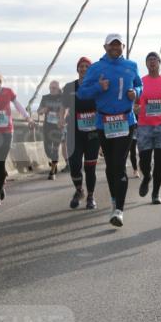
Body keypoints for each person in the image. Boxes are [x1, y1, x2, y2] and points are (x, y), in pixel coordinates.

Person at [77, 33, 141, 227]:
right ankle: (114, 200)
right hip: (104, 122)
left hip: (126, 120)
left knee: (119, 164)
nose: (115, 48)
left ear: (123, 46)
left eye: (118, 45)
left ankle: (119, 211)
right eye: (111, 45)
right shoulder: (96, 68)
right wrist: (99, 86)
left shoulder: (131, 66)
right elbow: (82, 93)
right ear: (105, 47)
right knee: (111, 165)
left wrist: (136, 93)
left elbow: (139, 84)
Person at [0, 67, 34, 206]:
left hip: (6, 131)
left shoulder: (8, 92)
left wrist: (28, 118)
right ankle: (1, 183)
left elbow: (18, 105)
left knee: (0, 162)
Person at [61, 57, 100, 210]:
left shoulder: (96, 87)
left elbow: (102, 105)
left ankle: (90, 196)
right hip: (74, 131)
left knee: (90, 167)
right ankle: (79, 190)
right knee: (75, 165)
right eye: (81, 66)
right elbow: (63, 106)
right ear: (77, 69)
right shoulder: (69, 87)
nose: (83, 69)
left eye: (86, 66)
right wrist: (61, 119)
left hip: (92, 133)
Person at [136, 51, 161, 205]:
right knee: (144, 161)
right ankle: (146, 176)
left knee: (159, 160)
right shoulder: (140, 81)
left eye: (155, 60)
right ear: (146, 64)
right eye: (149, 60)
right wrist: (134, 107)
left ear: (159, 62)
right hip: (144, 125)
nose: (152, 62)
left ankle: (156, 193)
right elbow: (133, 100)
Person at [38, 81, 64, 180]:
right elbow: (39, 111)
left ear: (58, 88)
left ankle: (52, 172)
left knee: (55, 148)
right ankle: (54, 163)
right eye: (50, 88)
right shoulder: (45, 97)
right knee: (47, 149)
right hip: (47, 126)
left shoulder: (63, 98)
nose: (52, 90)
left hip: (58, 126)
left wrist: (61, 116)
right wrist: (43, 110)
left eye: (54, 88)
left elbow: (69, 110)